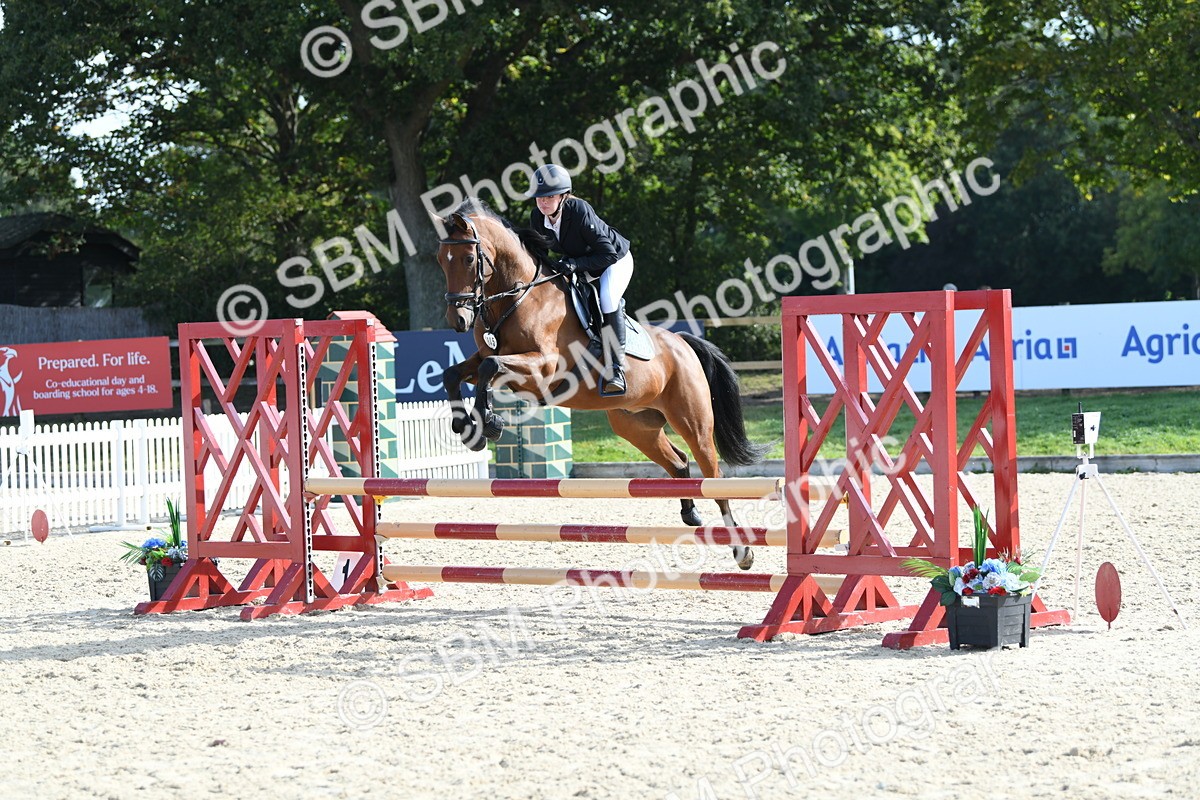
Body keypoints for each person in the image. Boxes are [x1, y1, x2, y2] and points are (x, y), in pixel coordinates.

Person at [526, 163, 634, 396]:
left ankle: (616, 368)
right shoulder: (537, 217)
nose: (543, 202)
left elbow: (608, 254)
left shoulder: (578, 210)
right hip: (583, 262)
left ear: (563, 196)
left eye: (549, 197)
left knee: (607, 299)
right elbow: (539, 256)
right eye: (539, 198)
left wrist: (573, 265)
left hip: (614, 260)